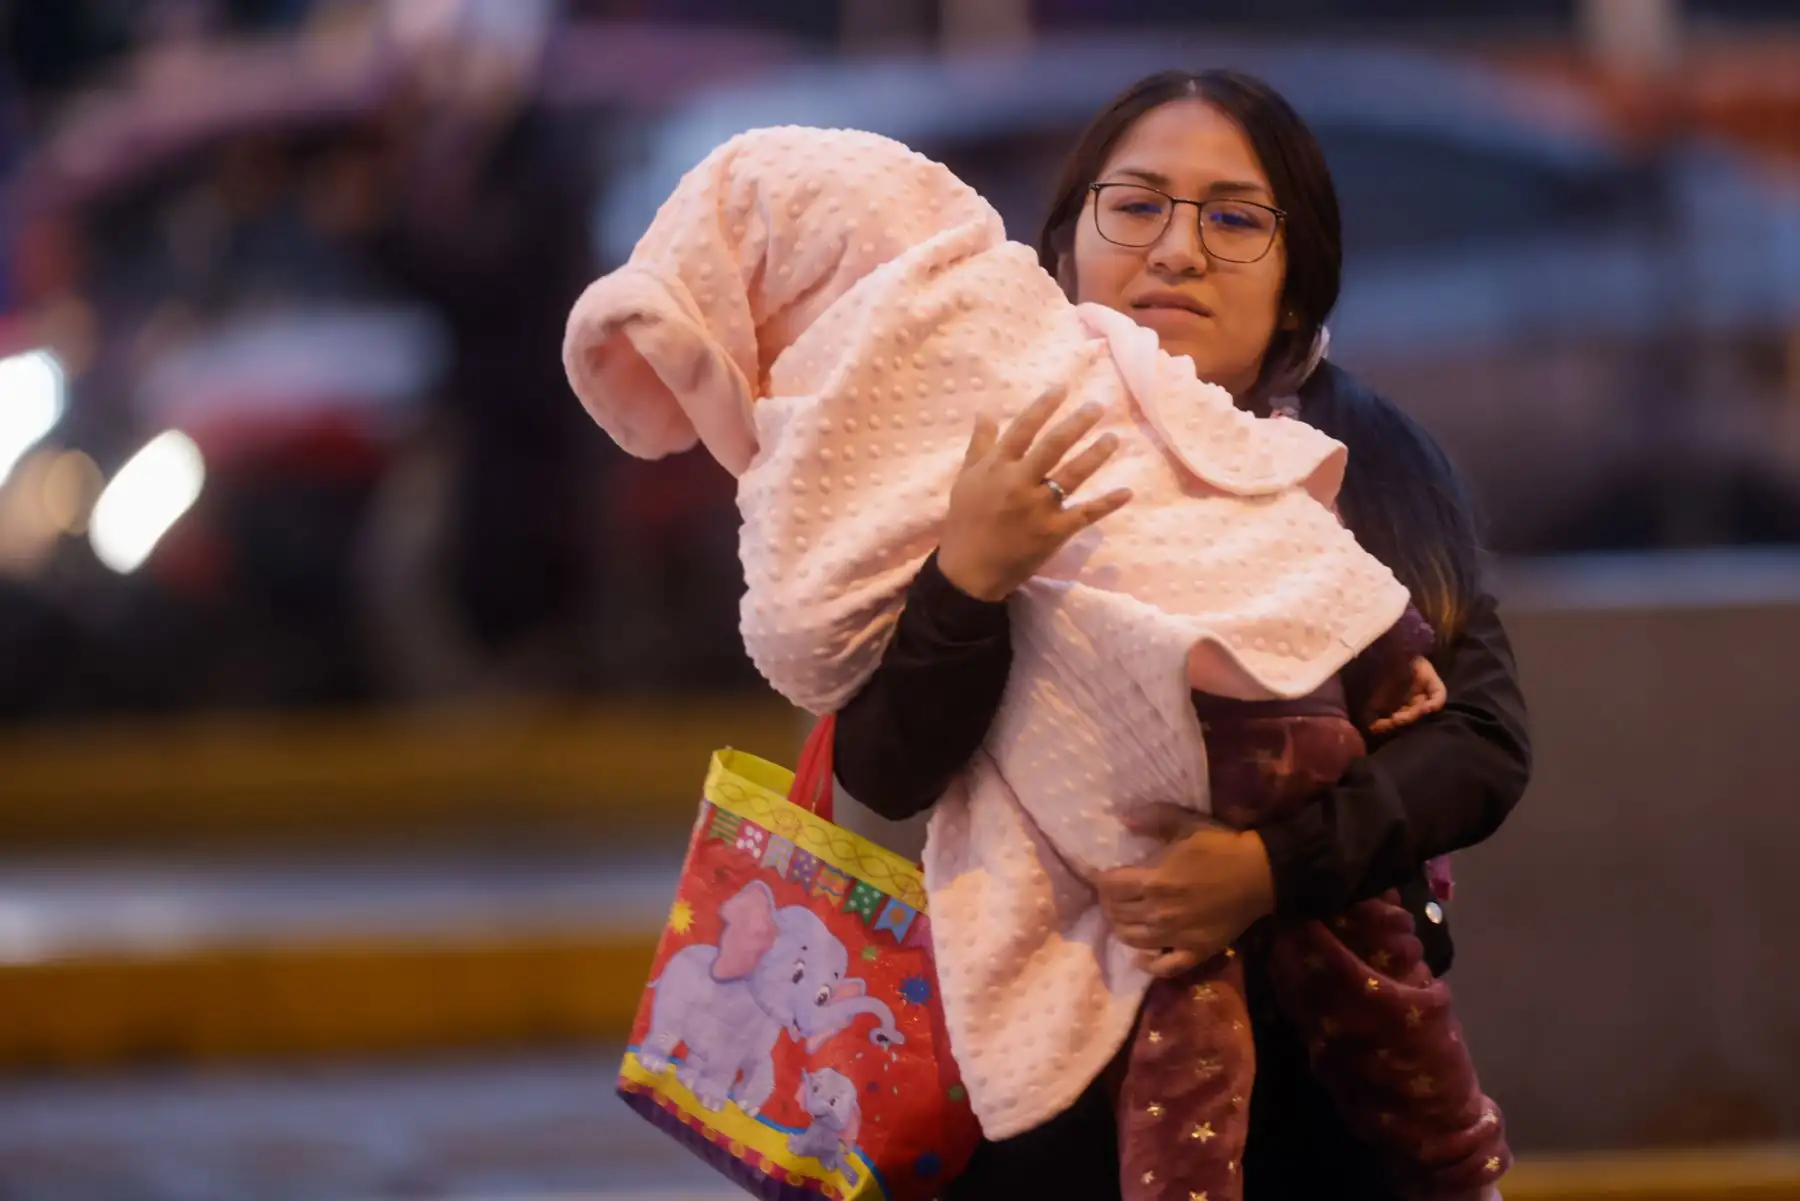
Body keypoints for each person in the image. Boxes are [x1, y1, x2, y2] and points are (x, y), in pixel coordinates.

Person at [829, 69, 1531, 1201]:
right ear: (1064, 247)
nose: (1178, 249)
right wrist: (968, 579)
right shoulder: (982, 452)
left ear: (1300, 281)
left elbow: (1483, 742)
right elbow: (883, 767)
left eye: (1237, 218)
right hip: (1041, 1109)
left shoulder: (1369, 467)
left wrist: (1264, 870)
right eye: (1138, 204)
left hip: (1327, 1094)